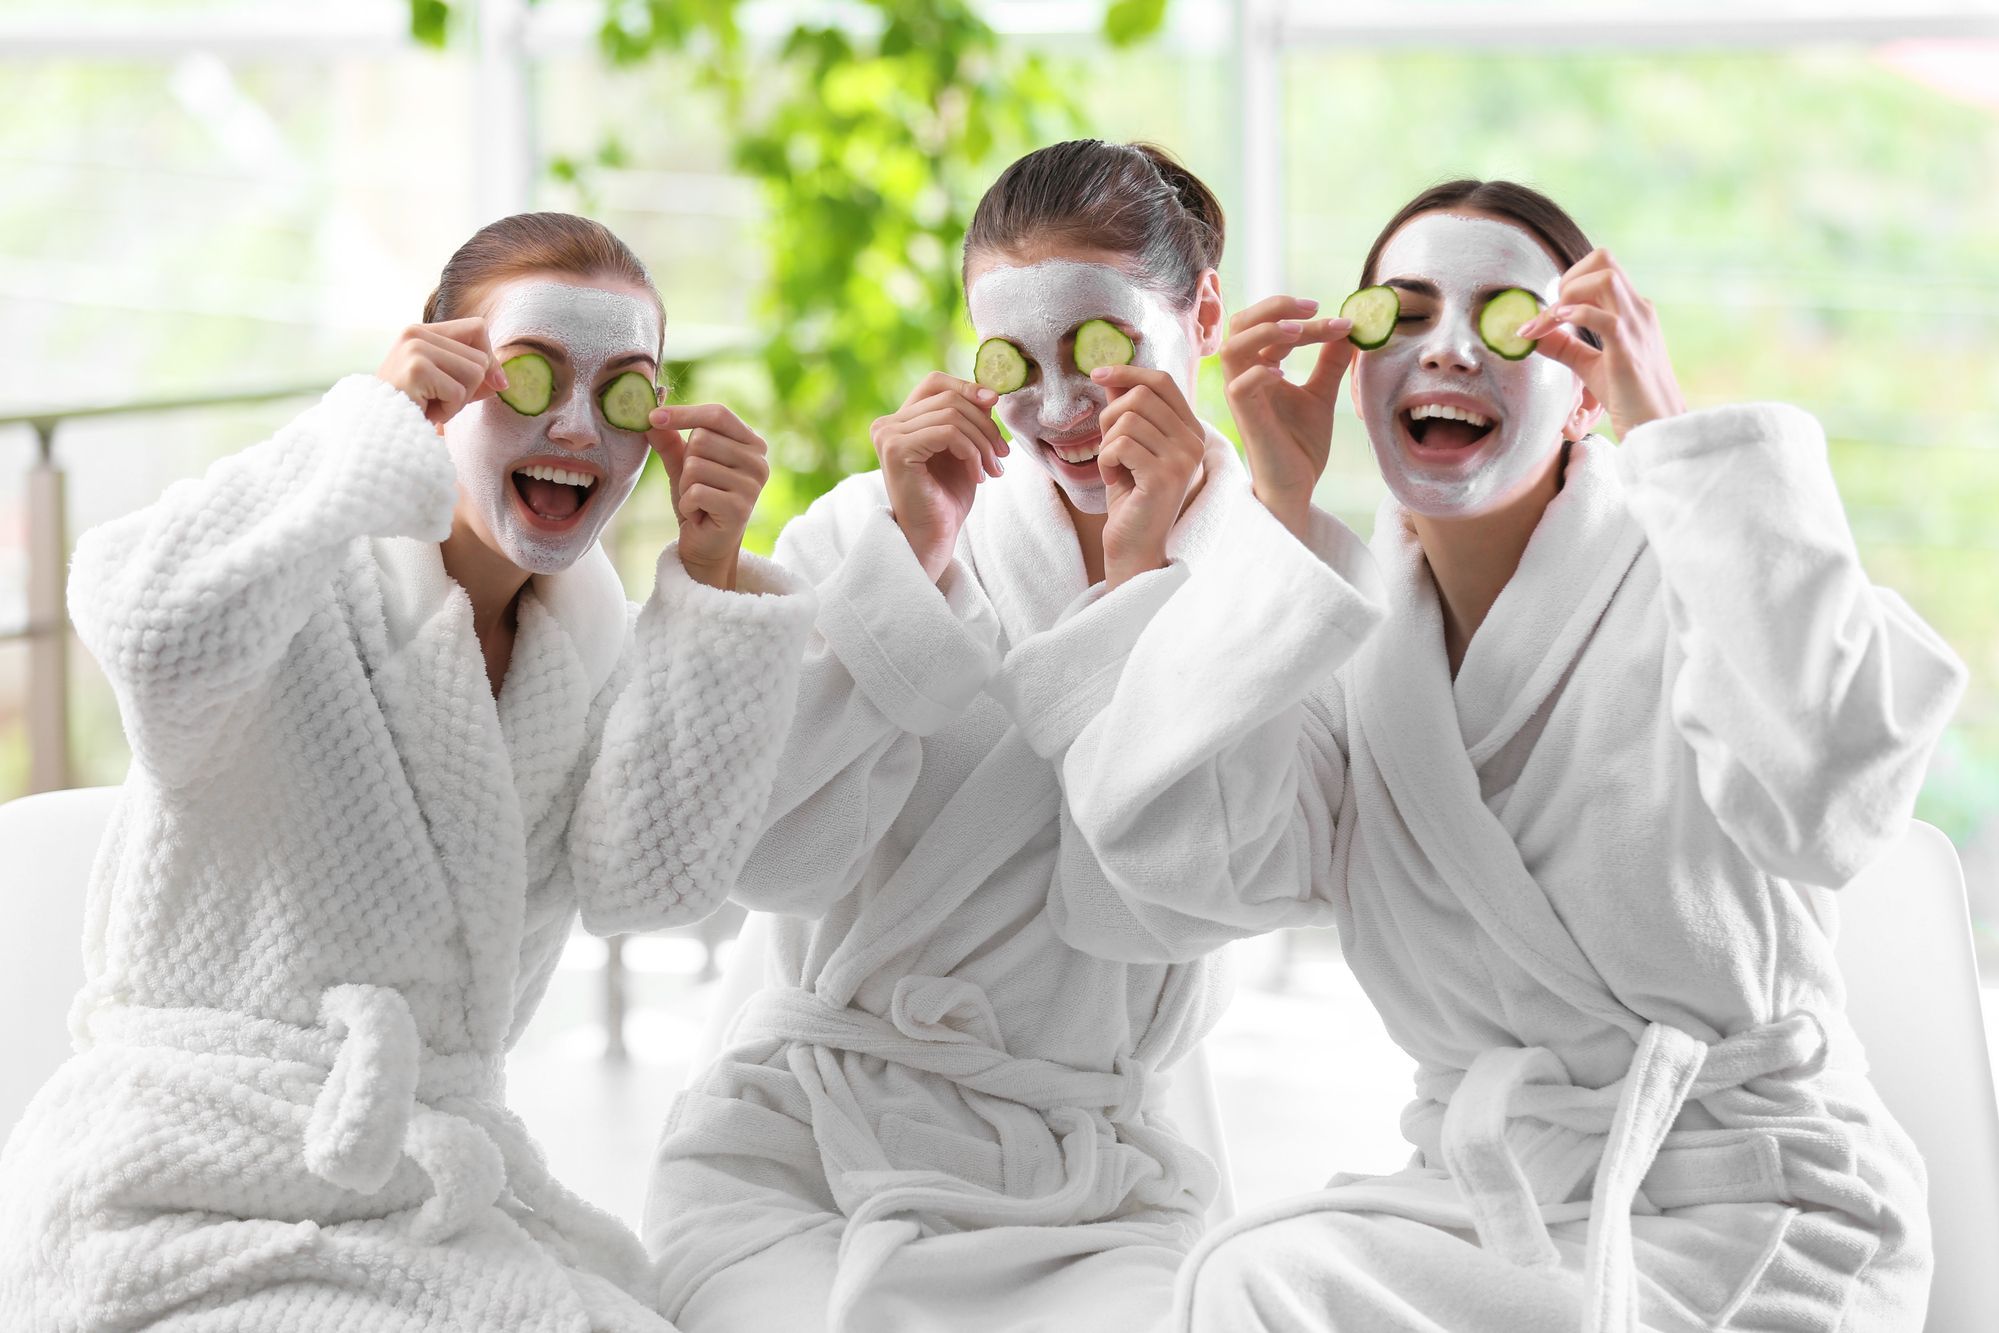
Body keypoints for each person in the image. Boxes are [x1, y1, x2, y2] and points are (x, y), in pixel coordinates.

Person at [1045, 179, 1966, 1331]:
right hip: (1497, 1214)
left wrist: (1671, 424)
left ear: (1586, 390)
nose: (1442, 351)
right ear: (1353, 365)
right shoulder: (1343, 638)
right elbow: (1190, 883)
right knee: (1254, 1279)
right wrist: (1276, 507)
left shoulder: (1698, 561)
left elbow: (1827, 808)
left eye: (1499, 320)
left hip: (1758, 1209)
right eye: (1403, 313)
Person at [0, 211, 815, 1331]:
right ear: (438, 373)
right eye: (532, 375)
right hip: (176, 1178)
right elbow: (148, 631)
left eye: (625, 389)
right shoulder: (296, 573)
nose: (577, 425)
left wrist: (711, 584)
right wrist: (360, 427)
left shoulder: (583, 652)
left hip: (425, 1187)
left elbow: (651, 888)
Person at [642, 140, 1249, 1333]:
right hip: (799, 1142)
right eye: (1012, 360)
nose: (1061, 407)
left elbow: (1143, 906)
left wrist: (1138, 591)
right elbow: (761, 864)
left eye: (1103, 347)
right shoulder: (867, 531)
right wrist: (907, 573)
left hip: (1094, 1177)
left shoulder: (1259, 587)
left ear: (1203, 316)